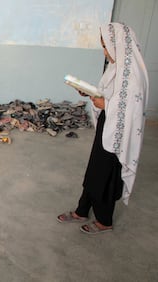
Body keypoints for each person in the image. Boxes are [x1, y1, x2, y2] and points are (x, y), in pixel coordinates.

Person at [57, 23, 149, 234]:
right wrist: (90, 93)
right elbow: (110, 95)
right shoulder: (116, 68)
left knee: (106, 175)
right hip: (108, 124)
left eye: (106, 47)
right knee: (94, 170)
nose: (105, 52)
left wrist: (106, 104)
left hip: (120, 133)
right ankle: (82, 210)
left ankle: (104, 220)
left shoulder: (134, 74)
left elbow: (131, 107)